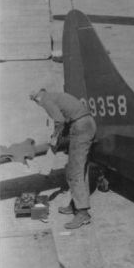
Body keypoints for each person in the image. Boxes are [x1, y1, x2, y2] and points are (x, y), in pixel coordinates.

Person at [29, 88, 96, 229]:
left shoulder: (45, 100)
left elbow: (59, 121)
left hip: (80, 128)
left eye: (35, 102)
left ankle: (83, 214)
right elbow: (65, 119)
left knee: (73, 172)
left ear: (37, 99)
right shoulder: (54, 96)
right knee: (80, 170)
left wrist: (54, 137)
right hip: (87, 124)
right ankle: (75, 206)